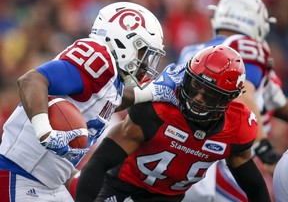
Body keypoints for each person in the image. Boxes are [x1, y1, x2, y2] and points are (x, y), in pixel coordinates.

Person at [0, 2, 166, 202]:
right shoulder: (100, 56)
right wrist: (45, 131)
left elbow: (114, 101)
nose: (146, 64)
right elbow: (31, 80)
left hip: (47, 183)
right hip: (20, 174)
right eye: (143, 52)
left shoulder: (111, 78)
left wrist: (158, 91)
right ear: (123, 42)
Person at [76, 45, 271, 202]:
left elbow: (255, 188)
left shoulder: (237, 128)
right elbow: (99, 162)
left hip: (169, 198)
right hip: (122, 187)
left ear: (228, 99)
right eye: (195, 85)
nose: (198, 98)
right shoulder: (158, 110)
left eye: (210, 93)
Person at [177, 0, 280, 201]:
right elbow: (243, 94)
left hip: (182, 160)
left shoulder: (191, 52)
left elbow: (277, 102)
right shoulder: (245, 47)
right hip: (222, 161)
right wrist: (264, 148)